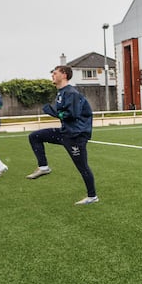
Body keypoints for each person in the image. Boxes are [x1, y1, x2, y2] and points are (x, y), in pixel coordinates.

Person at [25, 65, 99, 205]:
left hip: (76, 136)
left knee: (82, 167)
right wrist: (54, 112)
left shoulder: (71, 93)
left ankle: (92, 196)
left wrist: (53, 112)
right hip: (66, 133)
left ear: (64, 75)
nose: (52, 75)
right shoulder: (61, 92)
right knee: (34, 136)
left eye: (55, 73)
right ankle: (43, 167)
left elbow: (72, 115)